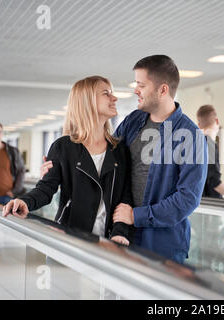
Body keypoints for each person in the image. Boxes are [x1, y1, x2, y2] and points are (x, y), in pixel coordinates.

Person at [41, 56, 208, 264]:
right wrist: (57, 171)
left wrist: (136, 216)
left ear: (163, 90)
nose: (135, 90)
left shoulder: (190, 136)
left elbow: (187, 199)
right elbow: (103, 163)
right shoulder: (132, 121)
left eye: (141, 85)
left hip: (161, 246)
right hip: (120, 236)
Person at [2, 76, 133, 245]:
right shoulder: (63, 147)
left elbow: (125, 198)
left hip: (107, 245)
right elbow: (46, 189)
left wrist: (119, 232)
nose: (114, 98)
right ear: (87, 101)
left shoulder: (119, 150)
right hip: (69, 241)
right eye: (106, 93)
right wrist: (25, 202)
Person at [196, 105, 224, 199]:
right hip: (210, 201)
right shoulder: (210, 145)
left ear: (199, 125)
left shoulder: (195, 144)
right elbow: (214, 181)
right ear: (216, 121)